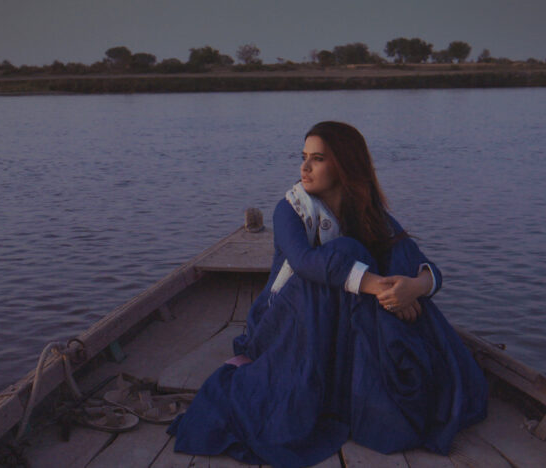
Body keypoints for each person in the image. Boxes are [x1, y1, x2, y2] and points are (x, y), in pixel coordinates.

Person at [167, 121, 488, 468]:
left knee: (399, 260)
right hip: (282, 324)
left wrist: (412, 289)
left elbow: (430, 269)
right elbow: (304, 263)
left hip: (338, 323)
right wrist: (374, 284)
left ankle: (391, 376)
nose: (304, 167)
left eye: (317, 159)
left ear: (344, 165)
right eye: (303, 157)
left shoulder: (369, 212)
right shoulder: (290, 209)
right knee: (347, 252)